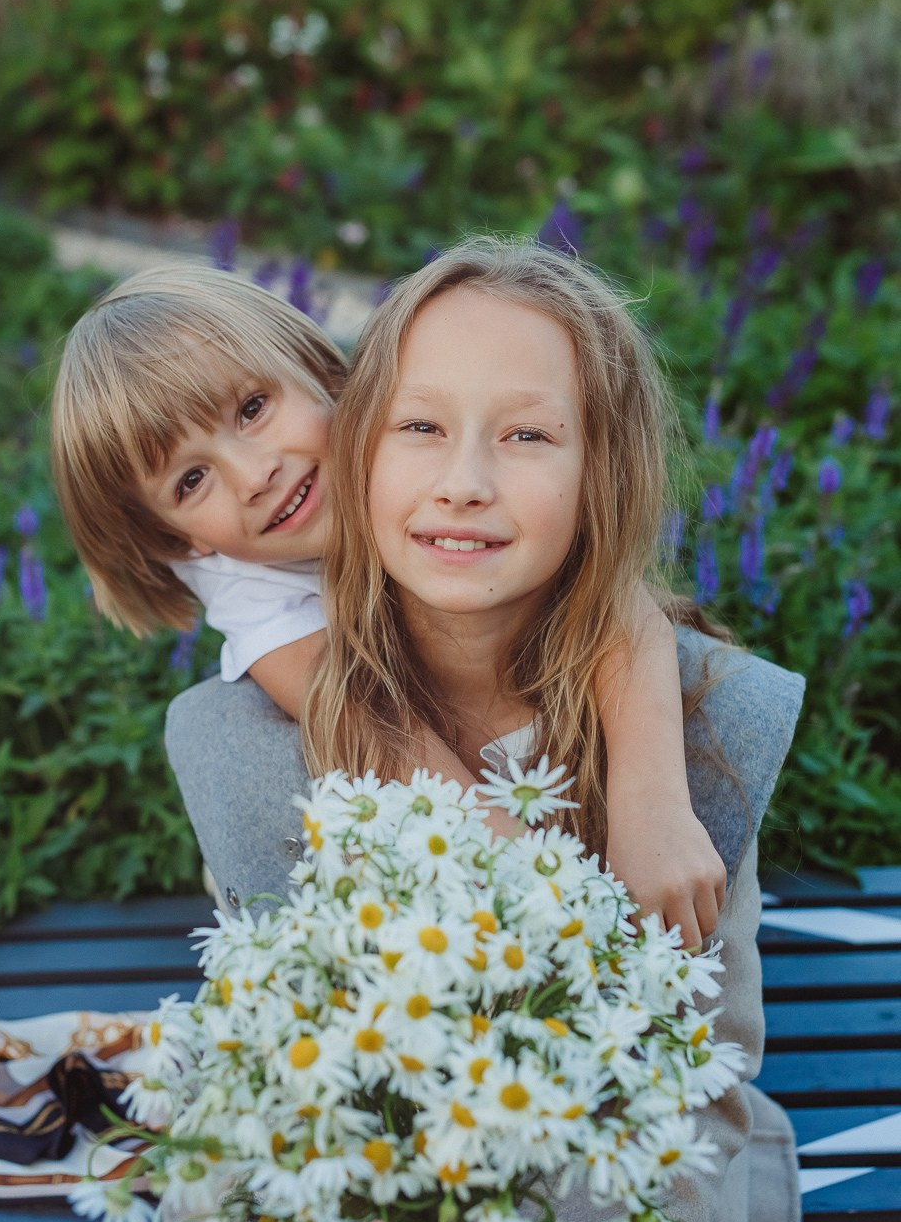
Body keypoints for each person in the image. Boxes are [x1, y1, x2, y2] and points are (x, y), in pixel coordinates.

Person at [148, 237, 802, 1222]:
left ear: (601, 469)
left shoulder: (697, 721)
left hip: (636, 1150)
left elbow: (696, 1068)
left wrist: (647, 793)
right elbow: (299, 1070)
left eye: (528, 435)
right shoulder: (247, 735)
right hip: (364, 1147)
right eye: (421, 428)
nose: (463, 482)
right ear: (362, 443)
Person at [51, 262, 726, 945]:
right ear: (179, 543)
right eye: (191, 479)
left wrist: (654, 806)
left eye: (253, 409)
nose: (255, 476)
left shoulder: (421, 445)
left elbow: (615, 597)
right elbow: (387, 741)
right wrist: (558, 905)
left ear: (324, 370)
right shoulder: (252, 593)